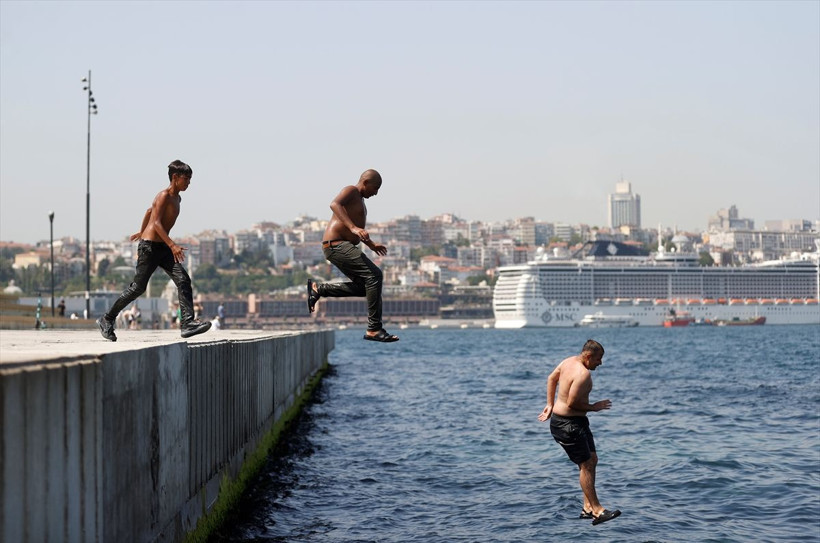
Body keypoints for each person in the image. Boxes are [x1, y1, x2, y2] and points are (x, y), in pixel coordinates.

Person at [96, 160, 211, 341]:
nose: (189, 183)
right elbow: (156, 222)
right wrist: (167, 243)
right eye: (186, 179)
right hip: (150, 248)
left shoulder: (177, 198)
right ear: (175, 177)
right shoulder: (163, 195)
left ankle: (187, 323)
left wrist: (143, 231)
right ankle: (107, 318)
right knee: (137, 288)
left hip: (162, 247)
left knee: (183, 279)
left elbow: (150, 211)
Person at [306, 169, 398, 342]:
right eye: (375, 188)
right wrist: (354, 228)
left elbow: (356, 232)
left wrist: (371, 244)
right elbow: (334, 204)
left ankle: (319, 289)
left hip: (342, 245)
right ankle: (374, 329)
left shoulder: (361, 201)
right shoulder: (351, 191)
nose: (376, 193)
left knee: (368, 287)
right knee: (375, 275)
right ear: (365, 182)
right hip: (336, 245)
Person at [537, 339, 620, 526]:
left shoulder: (568, 361)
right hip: (567, 425)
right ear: (589, 356)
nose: (600, 363)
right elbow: (572, 403)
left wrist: (550, 404)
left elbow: (552, 378)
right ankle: (597, 510)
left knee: (592, 459)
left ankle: (587, 507)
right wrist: (594, 406)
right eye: (599, 359)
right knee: (586, 465)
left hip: (577, 422)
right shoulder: (583, 375)